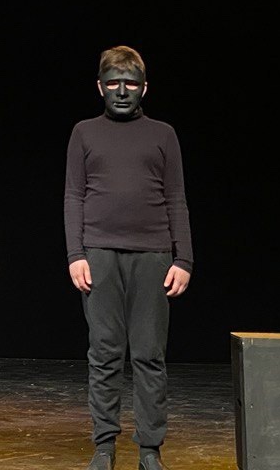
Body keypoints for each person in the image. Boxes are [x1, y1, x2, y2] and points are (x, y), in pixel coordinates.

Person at [64, 46, 193, 470]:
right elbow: (74, 196)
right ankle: (104, 445)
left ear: (144, 88)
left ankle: (150, 448)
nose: (122, 92)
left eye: (131, 84)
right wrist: (75, 253)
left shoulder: (163, 134)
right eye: (114, 84)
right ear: (100, 87)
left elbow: (176, 197)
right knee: (104, 353)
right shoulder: (84, 132)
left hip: (153, 256)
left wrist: (184, 259)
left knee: (149, 354)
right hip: (99, 254)